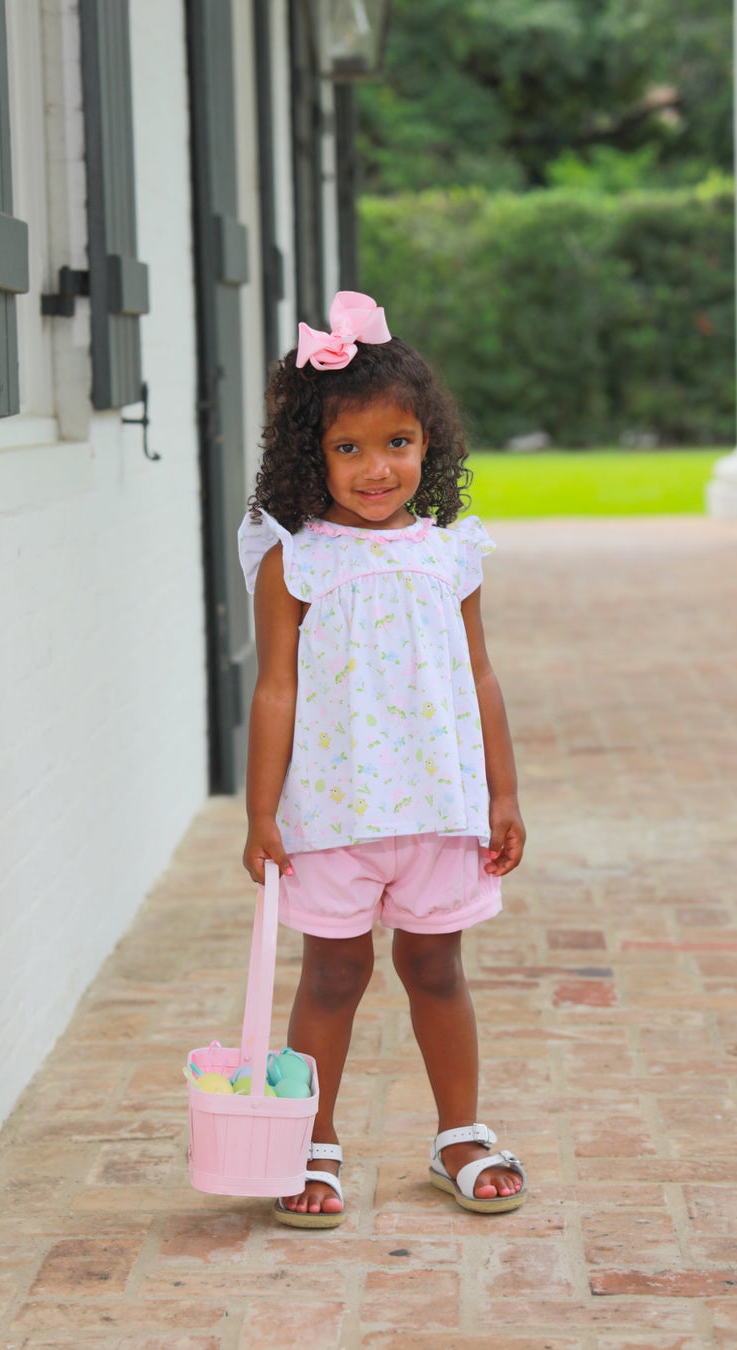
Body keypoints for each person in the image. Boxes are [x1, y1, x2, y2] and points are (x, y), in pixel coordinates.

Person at [238, 291, 526, 1229]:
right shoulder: (295, 559)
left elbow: (478, 675)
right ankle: (309, 1142)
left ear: (427, 444)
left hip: (439, 810)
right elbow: (275, 688)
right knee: (332, 976)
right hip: (334, 814)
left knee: (437, 967)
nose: (376, 469)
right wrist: (260, 814)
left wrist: (504, 791)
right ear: (309, 455)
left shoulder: (452, 554)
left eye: (397, 443)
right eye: (349, 448)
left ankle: (459, 1134)